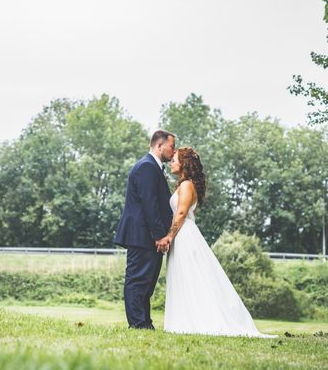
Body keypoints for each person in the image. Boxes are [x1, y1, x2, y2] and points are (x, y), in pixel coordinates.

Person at [163, 146, 277, 337]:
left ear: (184, 163)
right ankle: (185, 318)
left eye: (174, 159)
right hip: (185, 233)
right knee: (184, 276)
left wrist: (169, 237)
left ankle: (197, 320)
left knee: (191, 277)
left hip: (183, 234)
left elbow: (181, 213)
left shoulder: (186, 185)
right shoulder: (185, 184)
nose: (171, 162)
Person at [114, 130, 176, 329]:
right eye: (171, 146)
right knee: (138, 280)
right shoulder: (147, 167)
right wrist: (159, 235)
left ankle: (145, 322)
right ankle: (138, 324)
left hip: (146, 235)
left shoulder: (153, 168)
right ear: (160, 146)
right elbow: (150, 204)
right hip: (142, 235)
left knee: (147, 283)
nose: (173, 151)